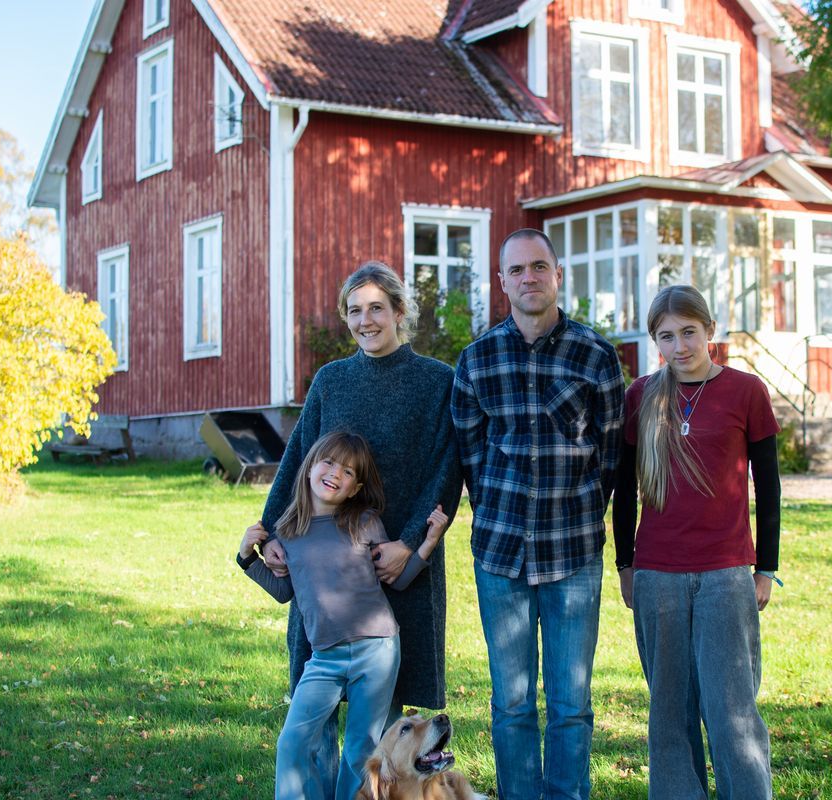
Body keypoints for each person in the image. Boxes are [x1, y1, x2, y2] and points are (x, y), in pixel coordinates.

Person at [259, 262, 464, 799]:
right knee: (318, 703)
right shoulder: (332, 380)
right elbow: (300, 459)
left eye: (377, 308)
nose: (365, 320)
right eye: (355, 310)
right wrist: (270, 526)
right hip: (328, 562)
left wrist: (408, 541)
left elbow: (449, 467)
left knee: (384, 712)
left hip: (402, 560)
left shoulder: (436, 381)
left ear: (400, 312)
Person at [451, 228, 625, 800]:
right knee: (512, 702)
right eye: (517, 270)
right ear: (502, 282)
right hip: (500, 555)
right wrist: (500, 508)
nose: (529, 278)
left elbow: (611, 455)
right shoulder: (476, 360)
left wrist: (577, 508)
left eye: (539, 267)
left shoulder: (596, 356)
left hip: (573, 552)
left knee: (571, 703)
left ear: (557, 275)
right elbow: (471, 454)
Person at [611, 284, 781, 800]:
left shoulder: (746, 391)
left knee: (731, 709)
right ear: (654, 341)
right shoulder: (641, 395)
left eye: (689, 332)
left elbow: (768, 487)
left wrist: (765, 568)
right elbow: (624, 488)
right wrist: (624, 564)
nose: (679, 346)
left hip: (725, 574)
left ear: (710, 330)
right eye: (667, 336)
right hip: (657, 573)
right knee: (669, 712)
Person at [238, 431, 450, 800]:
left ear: (355, 488)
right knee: (292, 741)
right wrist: (247, 558)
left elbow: (396, 580)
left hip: (378, 650)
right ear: (309, 469)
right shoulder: (287, 533)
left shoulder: (364, 522)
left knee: (360, 749)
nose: (336, 473)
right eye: (329, 463)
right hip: (324, 659)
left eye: (349, 472)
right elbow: (284, 591)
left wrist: (428, 542)